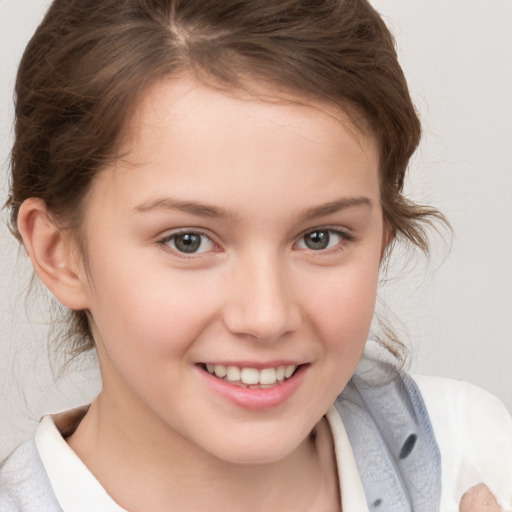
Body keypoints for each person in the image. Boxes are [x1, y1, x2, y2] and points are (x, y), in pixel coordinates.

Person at [1, 0, 511, 510]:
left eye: (320, 237)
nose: (266, 318)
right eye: (188, 241)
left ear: (382, 239)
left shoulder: (474, 458)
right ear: (58, 252)